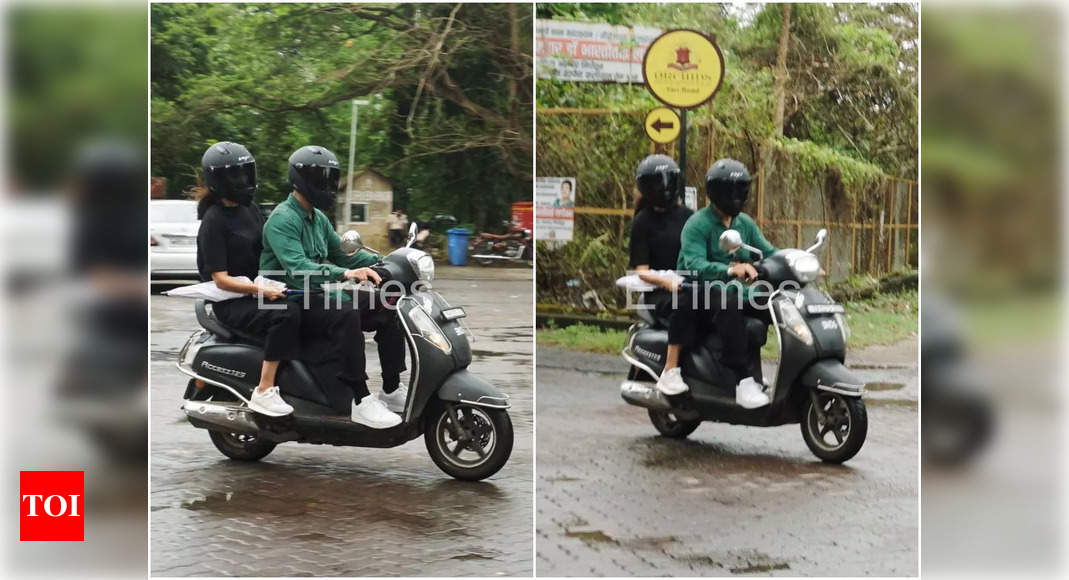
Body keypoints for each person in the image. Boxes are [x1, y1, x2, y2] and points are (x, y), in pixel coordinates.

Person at [260, 145, 406, 428]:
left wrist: (386, 263)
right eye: (321, 179)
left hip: (315, 294)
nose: (327, 186)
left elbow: (343, 253)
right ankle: (362, 399)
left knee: (388, 303)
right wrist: (348, 274)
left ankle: (390, 389)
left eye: (330, 178)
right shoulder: (282, 219)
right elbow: (299, 269)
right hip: (290, 296)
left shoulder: (318, 218)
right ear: (302, 180)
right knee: (346, 310)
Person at [195, 141, 298, 417]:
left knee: (316, 305)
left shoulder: (249, 209)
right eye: (234, 175)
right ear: (218, 180)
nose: (242, 181)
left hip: (259, 290)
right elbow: (221, 280)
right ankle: (264, 389)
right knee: (285, 314)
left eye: (245, 173)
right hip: (233, 302)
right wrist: (260, 288)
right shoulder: (213, 221)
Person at [676, 158, 776, 408]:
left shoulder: (744, 223)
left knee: (774, 302)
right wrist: (732, 270)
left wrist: (798, 261)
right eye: (731, 191)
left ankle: (762, 372)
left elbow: (768, 252)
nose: (736, 196)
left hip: (733, 292)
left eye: (741, 190)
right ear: (717, 192)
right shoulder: (697, 224)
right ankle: (743, 381)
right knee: (727, 298)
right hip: (697, 292)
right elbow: (695, 265)